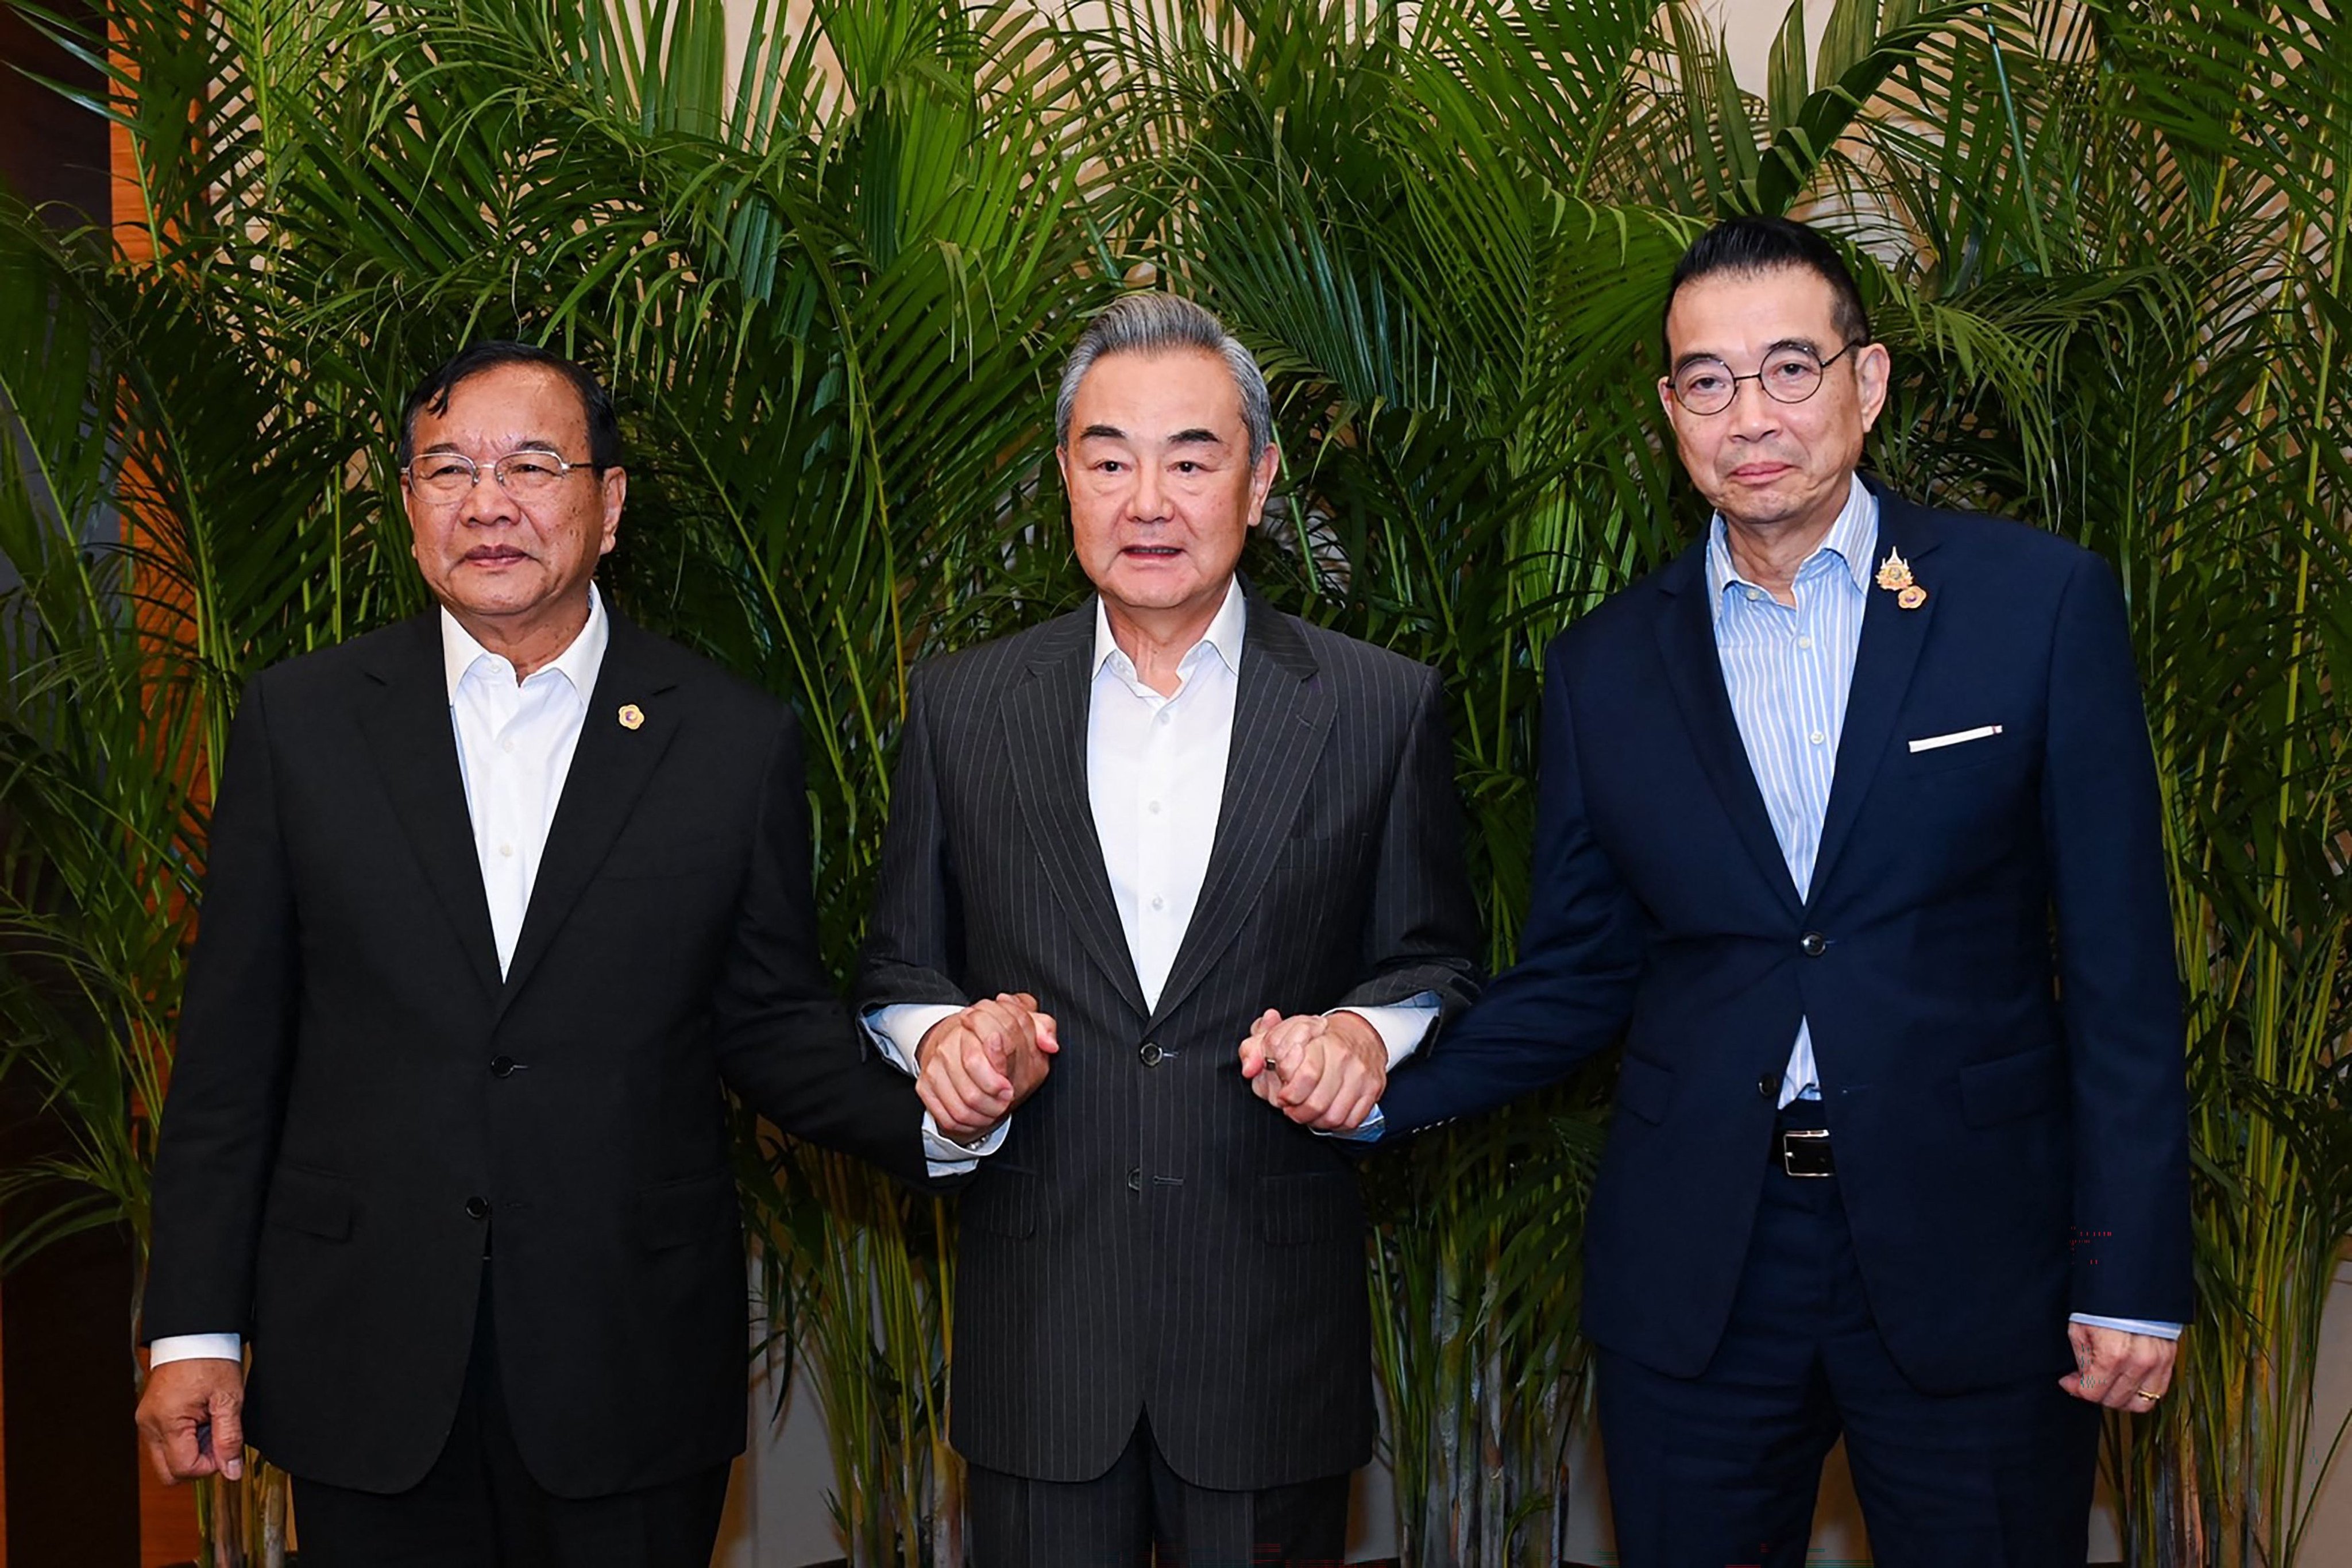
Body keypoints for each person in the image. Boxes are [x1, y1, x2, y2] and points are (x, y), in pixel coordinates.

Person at [1357, 216, 2191, 1565]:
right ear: (1668, 412)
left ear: (1865, 385)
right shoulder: (1603, 670)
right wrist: (1373, 1072)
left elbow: (2118, 971)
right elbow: (1578, 971)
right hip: (1698, 1272)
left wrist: (2133, 1271)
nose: (1749, 415)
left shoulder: (2032, 607)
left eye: (1789, 368)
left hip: (1975, 1253)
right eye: (1706, 379)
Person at [132, 341, 1050, 1565]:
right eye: (447, 468)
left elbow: (769, 1025)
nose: (487, 501)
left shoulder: (728, 741)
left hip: (628, 1363)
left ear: (607, 507)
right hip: (364, 1356)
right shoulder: (301, 724)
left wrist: (947, 1106)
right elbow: (232, 1054)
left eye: (532, 465)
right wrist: (194, 1328)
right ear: (407, 509)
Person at [857, 292, 1481, 1566]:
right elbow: (897, 964)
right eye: (1107, 459)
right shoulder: (966, 706)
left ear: (1255, 482)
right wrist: (947, 1045)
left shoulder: (1377, 707)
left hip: (1262, 1335)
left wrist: (1364, 1035)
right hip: (1042, 1341)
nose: (1148, 499)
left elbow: (1433, 958)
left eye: (1190, 459)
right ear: (1064, 481)